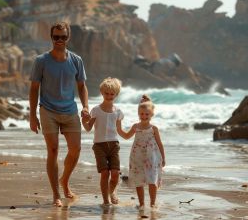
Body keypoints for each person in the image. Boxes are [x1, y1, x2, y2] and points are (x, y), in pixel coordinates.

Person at [29, 22, 89, 207]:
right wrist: (32, 115)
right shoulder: (41, 61)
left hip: (70, 110)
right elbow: (34, 89)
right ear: (51, 37)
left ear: (68, 38)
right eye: (56, 37)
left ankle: (65, 180)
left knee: (75, 149)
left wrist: (85, 106)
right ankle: (56, 193)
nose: (60, 40)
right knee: (53, 150)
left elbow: (81, 86)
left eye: (63, 37)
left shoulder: (76, 60)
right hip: (48, 110)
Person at [117, 95, 166, 209]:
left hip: (152, 158)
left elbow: (160, 144)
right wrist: (118, 127)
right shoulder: (135, 126)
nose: (144, 116)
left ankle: (153, 203)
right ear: (138, 114)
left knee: (152, 180)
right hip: (137, 157)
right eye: (141, 114)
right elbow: (125, 136)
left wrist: (163, 158)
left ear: (152, 114)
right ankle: (142, 204)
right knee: (139, 181)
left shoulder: (154, 128)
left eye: (147, 114)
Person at [82, 77, 124, 206]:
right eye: (106, 93)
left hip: (114, 145)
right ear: (102, 92)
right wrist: (83, 120)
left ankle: (112, 192)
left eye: (112, 94)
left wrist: (135, 132)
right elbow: (88, 128)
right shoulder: (96, 110)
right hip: (99, 146)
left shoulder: (118, 112)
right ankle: (105, 200)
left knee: (115, 174)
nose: (109, 96)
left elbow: (120, 131)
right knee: (105, 173)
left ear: (116, 95)